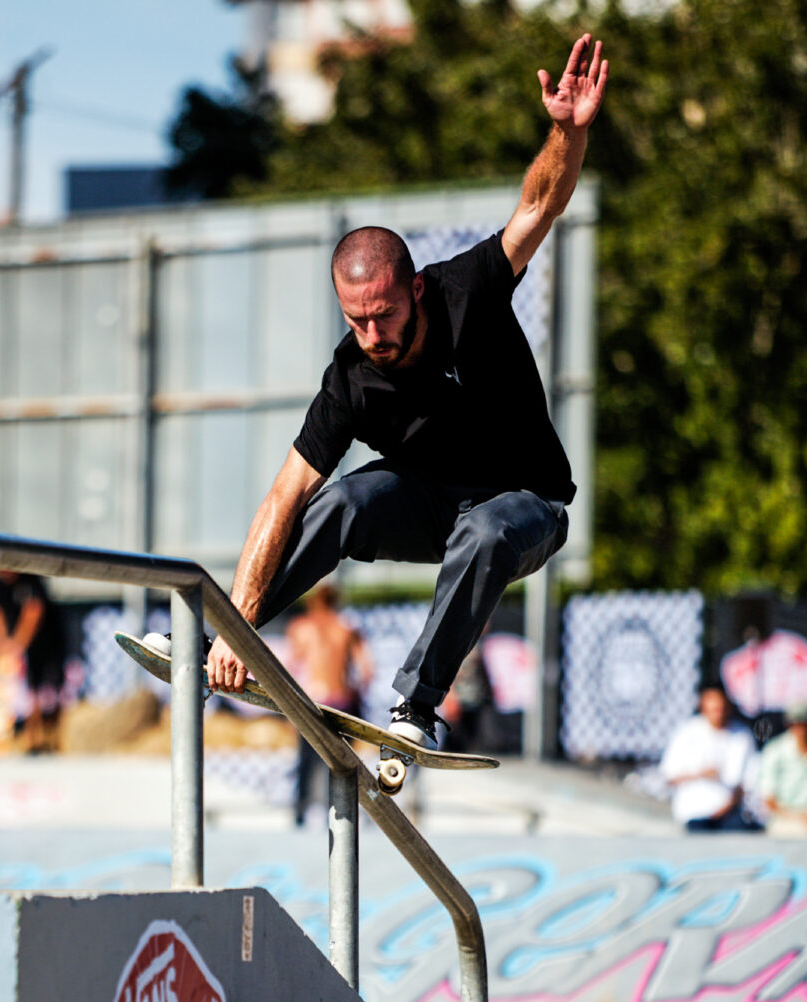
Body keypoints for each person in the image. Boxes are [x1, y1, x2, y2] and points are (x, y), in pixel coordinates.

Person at [194, 35, 608, 752]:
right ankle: (232, 638)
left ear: (415, 289)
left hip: (528, 507)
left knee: (485, 530)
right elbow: (284, 495)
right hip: (429, 509)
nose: (373, 332)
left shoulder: (466, 292)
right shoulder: (350, 378)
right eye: (357, 319)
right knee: (343, 499)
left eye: (384, 314)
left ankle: (416, 705)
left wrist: (566, 134)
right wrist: (238, 617)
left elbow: (539, 205)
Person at [285, 583, 373, 823]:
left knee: (306, 760)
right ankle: (341, 813)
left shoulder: (300, 628)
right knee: (341, 763)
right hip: (341, 700)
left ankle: (300, 813)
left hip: (312, 699)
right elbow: (367, 670)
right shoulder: (346, 629)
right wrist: (354, 693)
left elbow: (291, 669)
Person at [660, 687, 761, 833]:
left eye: (722, 709)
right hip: (695, 813)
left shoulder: (742, 736)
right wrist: (701, 774)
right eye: (714, 709)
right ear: (703, 708)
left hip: (730, 813)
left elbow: (749, 780)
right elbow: (668, 775)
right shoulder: (687, 733)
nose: (719, 714)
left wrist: (730, 804)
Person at [0, 572, 67, 752]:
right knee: (17, 693)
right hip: (18, 651)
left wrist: (17, 644)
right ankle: (28, 737)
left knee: (43, 695)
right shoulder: (1, 585)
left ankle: (47, 737)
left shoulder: (31, 583)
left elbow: (33, 612)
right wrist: (3, 644)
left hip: (43, 648)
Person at [758, 702, 807, 838]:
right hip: (785, 818)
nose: (800, 729)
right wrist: (797, 817)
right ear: (788, 725)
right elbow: (769, 800)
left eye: (804, 723)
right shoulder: (774, 751)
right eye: (795, 723)